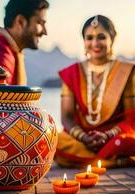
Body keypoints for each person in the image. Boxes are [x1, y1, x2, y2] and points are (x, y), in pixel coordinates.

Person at [55, 15, 135, 168]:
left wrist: (107, 135)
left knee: (125, 142)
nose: (95, 43)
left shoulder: (126, 71)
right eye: (89, 38)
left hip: (114, 137)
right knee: (56, 140)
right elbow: (67, 118)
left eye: (101, 37)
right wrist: (84, 137)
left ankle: (89, 161)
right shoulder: (72, 73)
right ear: (83, 41)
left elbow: (131, 118)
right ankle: (115, 161)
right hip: (83, 139)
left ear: (112, 39)